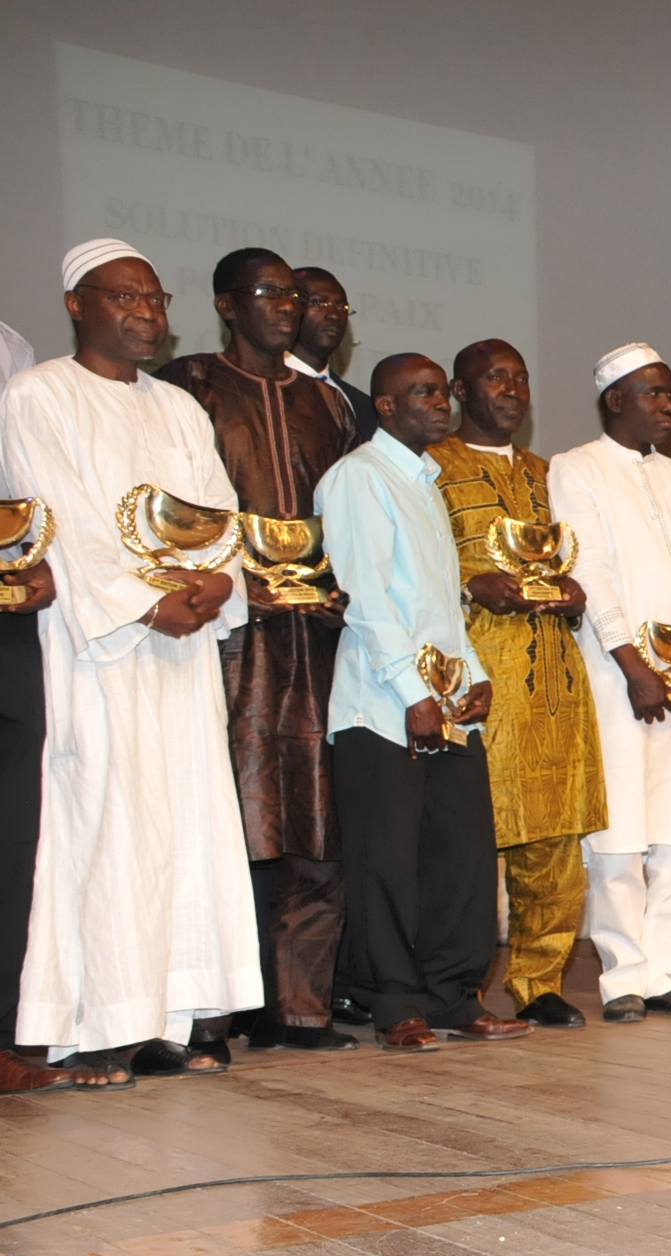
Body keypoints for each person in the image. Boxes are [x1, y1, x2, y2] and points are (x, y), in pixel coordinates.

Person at [2, 239, 260, 1084]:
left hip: (180, 652)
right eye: (124, 297)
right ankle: (94, 1024)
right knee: (104, 826)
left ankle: (166, 1018)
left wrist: (217, 584)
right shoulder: (38, 396)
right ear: (77, 305)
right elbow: (60, 519)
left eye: (154, 298)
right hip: (100, 653)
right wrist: (143, 603)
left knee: (183, 828)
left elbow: (218, 511)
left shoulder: (178, 407)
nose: (146, 312)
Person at [156, 247, 357, 1052]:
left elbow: (344, 513)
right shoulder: (190, 385)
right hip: (226, 636)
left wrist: (340, 586)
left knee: (319, 824)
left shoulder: (327, 403)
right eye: (268, 292)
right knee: (225, 820)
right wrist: (235, 584)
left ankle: (299, 1009)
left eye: (293, 294)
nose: (287, 305)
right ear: (226, 305)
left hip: (316, 637)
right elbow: (167, 507)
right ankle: (208, 1011)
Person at [318, 352, 529, 1050]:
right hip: (382, 706)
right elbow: (367, 599)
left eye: (442, 393)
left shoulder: (425, 480)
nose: (441, 404)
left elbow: (439, 602)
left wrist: (473, 674)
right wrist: (413, 692)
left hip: (445, 702)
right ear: (385, 406)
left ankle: (453, 995)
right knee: (388, 863)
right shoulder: (358, 477)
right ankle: (395, 1002)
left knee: (462, 857)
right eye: (423, 393)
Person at [432, 340, 606, 1028]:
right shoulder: (432, 467)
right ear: (459, 390)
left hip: (554, 678)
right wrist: (468, 585)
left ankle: (540, 981)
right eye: (496, 377)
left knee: (555, 840)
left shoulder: (546, 473)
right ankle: (459, 988)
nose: (512, 390)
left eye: (521, 378)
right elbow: (412, 563)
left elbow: (573, 556)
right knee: (472, 842)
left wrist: (574, 593)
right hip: (477, 679)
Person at [546, 345, 671, 1021]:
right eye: (654, 393)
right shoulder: (576, 467)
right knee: (618, 837)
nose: (668, 405)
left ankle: (668, 973)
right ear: (616, 401)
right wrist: (633, 665)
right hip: (616, 675)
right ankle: (624, 979)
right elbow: (587, 569)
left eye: (670, 393)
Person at [0, 319, 81, 1095]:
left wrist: (32, 565)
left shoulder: (12, 351)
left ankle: (4, 1035)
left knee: (14, 831)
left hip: (9, 629)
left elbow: (23, 494)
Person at [288, 268, 375, 443]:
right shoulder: (258, 388)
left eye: (342, 307)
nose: (334, 315)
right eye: (320, 303)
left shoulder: (364, 407)